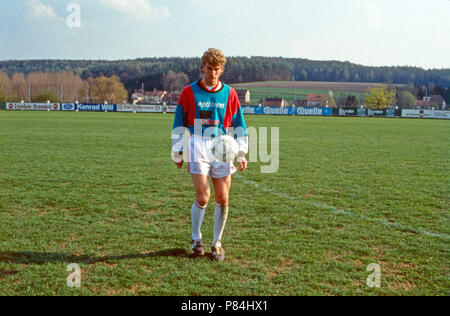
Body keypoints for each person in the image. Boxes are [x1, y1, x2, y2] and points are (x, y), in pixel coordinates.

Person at [171, 48, 248, 261]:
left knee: (223, 197)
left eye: (217, 69)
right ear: (202, 67)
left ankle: (217, 244)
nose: (212, 73)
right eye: (209, 68)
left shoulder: (229, 93)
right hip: (198, 144)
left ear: (221, 70)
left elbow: (239, 124)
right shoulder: (189, 92)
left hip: (223, 147)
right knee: (203, 196)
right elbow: (179, 122)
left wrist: (241, 151)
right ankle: (197, 239)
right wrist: (177, 150)